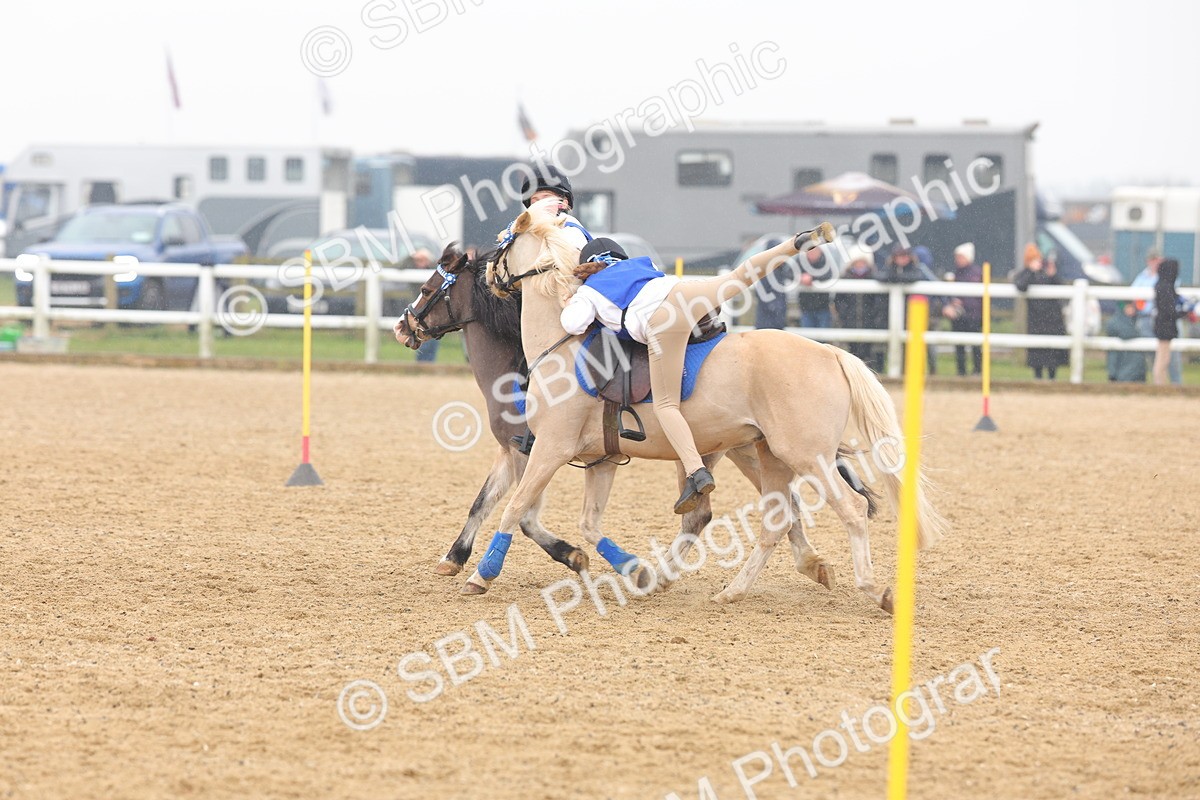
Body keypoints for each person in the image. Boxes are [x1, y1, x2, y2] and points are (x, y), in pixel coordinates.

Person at [560, 225, 835, 515]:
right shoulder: (640, 264)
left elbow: (573, 325)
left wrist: (569, 301)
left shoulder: (590, 289)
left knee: (666, 405)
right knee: (739, 276)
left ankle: (696, 471)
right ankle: (796, 243)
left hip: (661, 321)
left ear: (587, 268)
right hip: (686, 292)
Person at [1012, 243, 1068, 380]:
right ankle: (1038, 378)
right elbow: (1021, 286)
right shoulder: (1025, 274)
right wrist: (1031, 271)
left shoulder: (1048, 273)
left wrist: (1053, 275)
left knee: (1053, 352)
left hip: (1053, 319)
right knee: (1037, 352)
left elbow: (1061, 288)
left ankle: (1052, 378)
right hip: (1036, 319)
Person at [1131, 249, 1182, 384]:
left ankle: (1169, 383)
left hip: (1161, 321)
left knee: (1167, 357)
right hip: (1158, 321)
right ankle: (1159, 383)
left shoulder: (1163, 282)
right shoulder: (1160, 283)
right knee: (1160, 356)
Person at [833, 247, 887, 373]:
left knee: (868, 352)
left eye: (862, 263)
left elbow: (879, 301)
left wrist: (874, 316)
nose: (860, 266)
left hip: (869, 321)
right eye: (857, 263)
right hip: (850, 321)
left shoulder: (874, 278)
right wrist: (845, 315)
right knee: (852, 351)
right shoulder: (845, 278)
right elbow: (838, 300)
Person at [942, 242, 983, 376]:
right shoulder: (956, 273)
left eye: (960, 257)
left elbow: (974, 298)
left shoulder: (975, 273)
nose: (957, 260)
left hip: (973, 316)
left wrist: (961, 302)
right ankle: (961, 372)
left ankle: (977, 371)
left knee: (975, 346)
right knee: (959, 345)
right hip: (959, 316)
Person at [1152, 258, 1188, 386]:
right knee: (1162, 358)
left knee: (1165, 357)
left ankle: (1161, 382)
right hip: (1164, 326)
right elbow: (1169, 311)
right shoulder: (1165, 287)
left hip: (1164, 326)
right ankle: (1158, 383)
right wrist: (1185, 312)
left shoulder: (1163, 285)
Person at [407, 248, 441, 363]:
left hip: (433, 309)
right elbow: (400, 266)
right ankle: (422, 363)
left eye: (423, 259)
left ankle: (428, 363)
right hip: (419, 309)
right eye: (418, 260)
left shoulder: (433, 271)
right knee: (422, 335)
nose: (420, 262)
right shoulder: (412, 269)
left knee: (432, 335)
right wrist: (412, 257)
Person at [1105, 301, 1146, 383]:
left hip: (1137, 370)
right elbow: (1125, 333)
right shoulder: (1116, 322)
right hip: (1122, 370)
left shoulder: (1137, 321)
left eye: (1132, 306)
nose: (1131, 309)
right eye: (1128, 306)